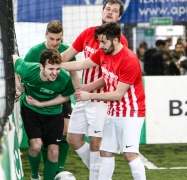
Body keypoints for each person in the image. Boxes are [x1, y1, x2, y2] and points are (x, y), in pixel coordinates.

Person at [61, 22, 146, 180]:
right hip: (112, 111)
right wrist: (56, 65)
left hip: (131, 112)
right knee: (105, 152)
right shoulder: (103, 53)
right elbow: (81, 64)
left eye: (103, 42)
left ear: (115, 41)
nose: (100, 45)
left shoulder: (129, 60)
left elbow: (118, 94)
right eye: (99, 41)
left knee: (129, 154)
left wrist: (90, 95)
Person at [23, 19, 79, 174]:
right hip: (38, 97)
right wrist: (19, 90)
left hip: (61, 94)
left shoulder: (67, 51)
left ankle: (58, 171)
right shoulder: (35, 52)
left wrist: (77, 93)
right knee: (40, 143)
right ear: (46, 36)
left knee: (66, 131)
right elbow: (22, 73)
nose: (55, 43)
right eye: (52, 39)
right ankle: (39, 172)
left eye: (58, 39)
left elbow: (74, 74)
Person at [13, 49, 75, 180]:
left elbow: (65, 97)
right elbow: (13, 58)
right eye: (51, 69)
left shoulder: (64, 78)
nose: (55, 73)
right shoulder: (28, 70)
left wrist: (42, 104)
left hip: (54, 114)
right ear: (41, 66)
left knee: (54, 152)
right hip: (31, 111)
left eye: (57, 69)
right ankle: (35, 176)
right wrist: (18, 84)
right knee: (35, 147)